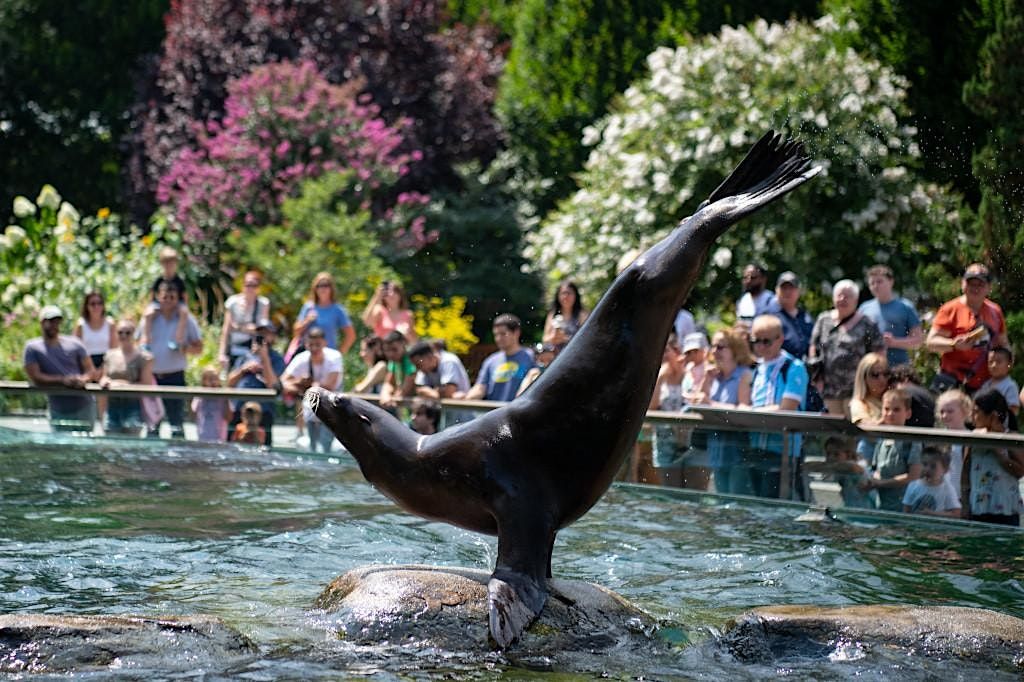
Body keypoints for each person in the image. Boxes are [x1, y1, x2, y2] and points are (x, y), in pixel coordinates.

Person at [747, 314, 809, 499]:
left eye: (766, 341)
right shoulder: (757, 368)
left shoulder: (794, 367)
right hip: (754, 447)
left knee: (777, 503)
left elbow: (786, 408)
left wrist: (750, 413)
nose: (760, 347)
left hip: (782, 451)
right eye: (755, 341)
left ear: (780, 339)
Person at [925, 263, 1008, 393]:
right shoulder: (950, 309)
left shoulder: (995, 311)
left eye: (980, 284)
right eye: (971, 283)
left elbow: (1003, 344)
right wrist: (953, 344)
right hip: (953, 381)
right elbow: (931, 342)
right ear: (963, 284)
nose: (975, 288)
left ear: (989, 288)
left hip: (984, 385)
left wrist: (1004, 365)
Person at [809, 279, 884, 417]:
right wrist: (816, 376)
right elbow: (814, 346)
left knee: (854, 429)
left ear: (856, 300)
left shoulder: (867, 323)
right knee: (834, 431)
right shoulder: (824, 320)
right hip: (829, 389)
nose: (843, 299)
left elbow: (879, 353)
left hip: (857, 390)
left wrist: (874, 381)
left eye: (848, 296)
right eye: (839, 295)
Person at [695, 328, 754, 495]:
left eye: (721, 347)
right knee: (722, 501)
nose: (715, 351)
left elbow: (743, 408)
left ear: (735, 349)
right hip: (716, 451)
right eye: (713, 346)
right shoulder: (714, 376)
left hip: (738, 453)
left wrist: (711, 403)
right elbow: (698, 401)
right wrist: (706, 379)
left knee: (736, 502)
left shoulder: (745, 375)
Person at [23, 305, 97, 432]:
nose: (54, 325)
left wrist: (82, 379)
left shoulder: (75, 343)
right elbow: (35, 376)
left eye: (57, 321)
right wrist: (62, 380)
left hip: (84, 406)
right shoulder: (32, 348)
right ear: (42, 322)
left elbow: (91, 370)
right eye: (50, 321)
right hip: (58, 409)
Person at [147, 282, 203, 439]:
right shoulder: (150, 317)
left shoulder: (187, 320)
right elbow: (139, 343)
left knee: (176, 424)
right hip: (152, 378)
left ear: (178, 299)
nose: (168, 301)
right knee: (152, 424)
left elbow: (199, 348)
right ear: (158, 297)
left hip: (175, 376)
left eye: (172, 297)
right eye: (165, 297)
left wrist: (184, 349)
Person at [963, 389, 1024, 525]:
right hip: (978, 507)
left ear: (993, 415)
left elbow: (1020, 471)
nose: (972, 416)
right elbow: (965, 472)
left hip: (1005, 509)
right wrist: (965, 505)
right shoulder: (973, 438)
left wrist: (999, 452)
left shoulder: (1010, 438)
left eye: (976, 412)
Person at [281, 327, 343, 453]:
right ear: (306, 344)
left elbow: (331, 384)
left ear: (324, 343)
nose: (314, 348)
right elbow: (283, 381)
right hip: (310, 410)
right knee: (313, 448)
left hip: (331, 409)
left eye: (317, 345)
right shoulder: (301, 358)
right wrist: (299, 383)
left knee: (325, 447)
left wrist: (307, 386)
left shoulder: (334, 357)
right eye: (311, 344)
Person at [860, 387, 922, 512]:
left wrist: (881, 483)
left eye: (896, 410)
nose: (890, 414)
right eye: (886, 409)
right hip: (883, 507)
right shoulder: (881, 439)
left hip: (904, 510)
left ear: (908, 413)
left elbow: (913, 476)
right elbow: (877, 470)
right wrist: (872, 482)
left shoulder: (912, 442)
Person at [226, 320, 284, 446]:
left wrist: (265, 359)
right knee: (233, 446)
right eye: (259, 333)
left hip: (263, 412)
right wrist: (243, 369)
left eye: (266, 333)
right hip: (240, 410)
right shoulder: (244, 357)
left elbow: (273, 386)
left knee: (263, 450)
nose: (262, 336)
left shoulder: (277, 359)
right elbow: (230, 382)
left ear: (273, 337)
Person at [858, 265, 923, 367]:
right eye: (872, 283)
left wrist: (894, 342)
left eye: (879, 282)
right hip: (872, 369)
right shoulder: (864, 308)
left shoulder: (905, 307)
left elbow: (918, 340)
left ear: (891, 281)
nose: (875, 286)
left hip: (898, 367)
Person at [99, 318, 154, 437]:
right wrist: (105, 382)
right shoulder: (110, 355)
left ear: (134, 334)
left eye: (128, 333)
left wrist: (121, 385)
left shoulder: (143, 357)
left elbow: (146, 384)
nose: (123, 335)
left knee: (131, 448)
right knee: (110, 446)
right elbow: (104, 378)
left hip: (133, 408)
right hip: (112, 407)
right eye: (120, 332)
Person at [466, 314, 534, 402]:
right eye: (496, 335)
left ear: (516, 333)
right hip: (495, 413)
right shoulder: (490, 361)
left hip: (520, 413)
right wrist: (466, 397)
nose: (498, 338)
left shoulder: (530, 356)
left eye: (503, 334)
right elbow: (481, 388)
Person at [648, 333, 687, 487]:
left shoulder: (689, 376)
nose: (662, 356)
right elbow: (651, 408)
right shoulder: (658, 378)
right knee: (671, 493)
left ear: (677, 352)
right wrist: (659, 380)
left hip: (688, 444)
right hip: (664, 444)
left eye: (666, 351)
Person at [74, 291, 116, 427]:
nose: (96, 307)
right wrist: (90, 369)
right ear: (87, 306)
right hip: (86, 365)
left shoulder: (110, 323)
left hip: (106, 364)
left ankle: (104, 426)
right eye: (92, 304)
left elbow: (114, 349)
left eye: (99, 303)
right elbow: (76, 349)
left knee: (104, 396)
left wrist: (102, 370)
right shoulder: (81, 325)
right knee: (87, 398)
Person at [408, 340, 472, 426]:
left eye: (418, 365)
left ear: (429, 357)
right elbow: (419, 389)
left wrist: (433, 392)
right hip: (446, 416)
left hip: (463, 417)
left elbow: (448, 392)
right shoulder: (424, 368)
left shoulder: (449, 361)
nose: (417, 369)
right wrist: (440, 393)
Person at [219, 270, 271, 372]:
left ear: (258, 287)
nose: (250, 288)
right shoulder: (232, 302)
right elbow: (226, 330)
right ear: (243, 285)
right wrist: (221, 353)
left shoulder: (263, 303)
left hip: (254, 349)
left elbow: (262, 330)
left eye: (254, 285)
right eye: (248, 285)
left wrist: (238, 327)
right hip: (235, 348)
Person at [293, 272, 356, 354]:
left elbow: (351, 335)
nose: (322, 288)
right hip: (308, 355)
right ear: (315, 288)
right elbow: (296, 332)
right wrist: (307, 321)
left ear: (331, 288)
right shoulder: (308, 307)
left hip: (327, 357)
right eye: (319, 285)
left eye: (325, 285)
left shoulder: (337, 309)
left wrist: (339, 354)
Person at [678, 332, 712, 490]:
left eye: (695, 351)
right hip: (687, 430)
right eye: (688, 352)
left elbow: (701, 396)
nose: (692, 355)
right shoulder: (688, 369)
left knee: (698, 484)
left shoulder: (708, 368)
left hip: (702, 431)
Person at [141, 246, 189, 352]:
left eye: (171, 263)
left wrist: (182, 308)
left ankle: (177, 340)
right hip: (160, 304)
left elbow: (185, 298)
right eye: (166, 263)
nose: (169, 266)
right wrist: (153, 308)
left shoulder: (179, 281)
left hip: (177, 305)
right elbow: (152, 297)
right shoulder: (158, 280)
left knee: (184, 313)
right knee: (148, 314)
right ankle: (146, 340)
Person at [935, 388, 973, 503]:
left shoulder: (971, 438)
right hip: (941, 494)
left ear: (965, 411)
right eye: (942, 411)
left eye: (950, 411)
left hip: (962, 495)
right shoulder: (937, 437)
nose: (945, 415)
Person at [849, 352, 889, 462]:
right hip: (869, 457)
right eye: (875, 375)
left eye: (885, 374)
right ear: (864, 377)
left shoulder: (892, 398)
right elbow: (865, 427)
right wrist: (888, 419)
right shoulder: (858, 402)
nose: (882, 379)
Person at [902, 447, 962, 518]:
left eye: (933, 466)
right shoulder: (913, 485)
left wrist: (932, 513)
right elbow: (906, 512)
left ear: (945, 470)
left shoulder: (947, 489)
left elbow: (956, 514)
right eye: (924, 464)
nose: (927, 469)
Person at [768, 271, 814, 359]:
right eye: (784, 288)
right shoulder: (770, 318)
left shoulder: (805, 316)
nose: (787, 292)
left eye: (791, 288)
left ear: (798, 291)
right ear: (776, 290)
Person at [821, 436, 874, 509]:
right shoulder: (839, 471)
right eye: (828, 454)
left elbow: (853, 467)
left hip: (867, 513)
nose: (831, 457)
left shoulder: (859, 466)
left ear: (848, 454)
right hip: (849, 511)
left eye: (836, 454)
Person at [362, 280, 418, 345]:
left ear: (400, 294)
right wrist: (377, 296)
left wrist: (406, 334)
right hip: (382, 352)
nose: (391, 294)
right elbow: (367, 322)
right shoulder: (380, 311)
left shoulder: (408, 314)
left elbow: (414, 341)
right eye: (388, 292)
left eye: (395, 291)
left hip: (400, 352)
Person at [543, 280, 590, 351]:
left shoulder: (582, 315)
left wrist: (565, 338)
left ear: (575, 295)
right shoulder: (553, 315)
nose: (566, 297)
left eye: (569, 293)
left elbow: (587, 338)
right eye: (563, 293)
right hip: (557, 357)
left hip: (577, 355)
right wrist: (553, 337)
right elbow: (545, 338)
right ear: (558, 296)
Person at [191, 366, 231, 443]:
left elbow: (229, 418)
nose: (213, 381)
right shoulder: (199, 396)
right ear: (203, 380)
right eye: (209, 379)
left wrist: (226, 399)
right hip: (202, 437)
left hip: (220, 439)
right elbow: (193, 415)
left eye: (215, 378)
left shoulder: (223, 397)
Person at [379, 331, 418, 409]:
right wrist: (385, 394)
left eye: (394, 349)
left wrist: (389, 399)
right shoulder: (394, 361)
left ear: (403, 344)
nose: (390, 354)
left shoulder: (410, 360)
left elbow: (404, 391)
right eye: (387, 350)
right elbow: (388, 383)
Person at [978, 347, 1020, 416]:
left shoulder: (1010, 386)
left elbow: (1014, 410)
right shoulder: (985, 384)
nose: (994, 365)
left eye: (999, 362)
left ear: (1009, 365)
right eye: (990, 362)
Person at [736, 263, 776, 328]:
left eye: (753, 278)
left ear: (763, 279)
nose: (748, 281)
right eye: (745, 278)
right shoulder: (742, 300)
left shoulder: (771, 300)